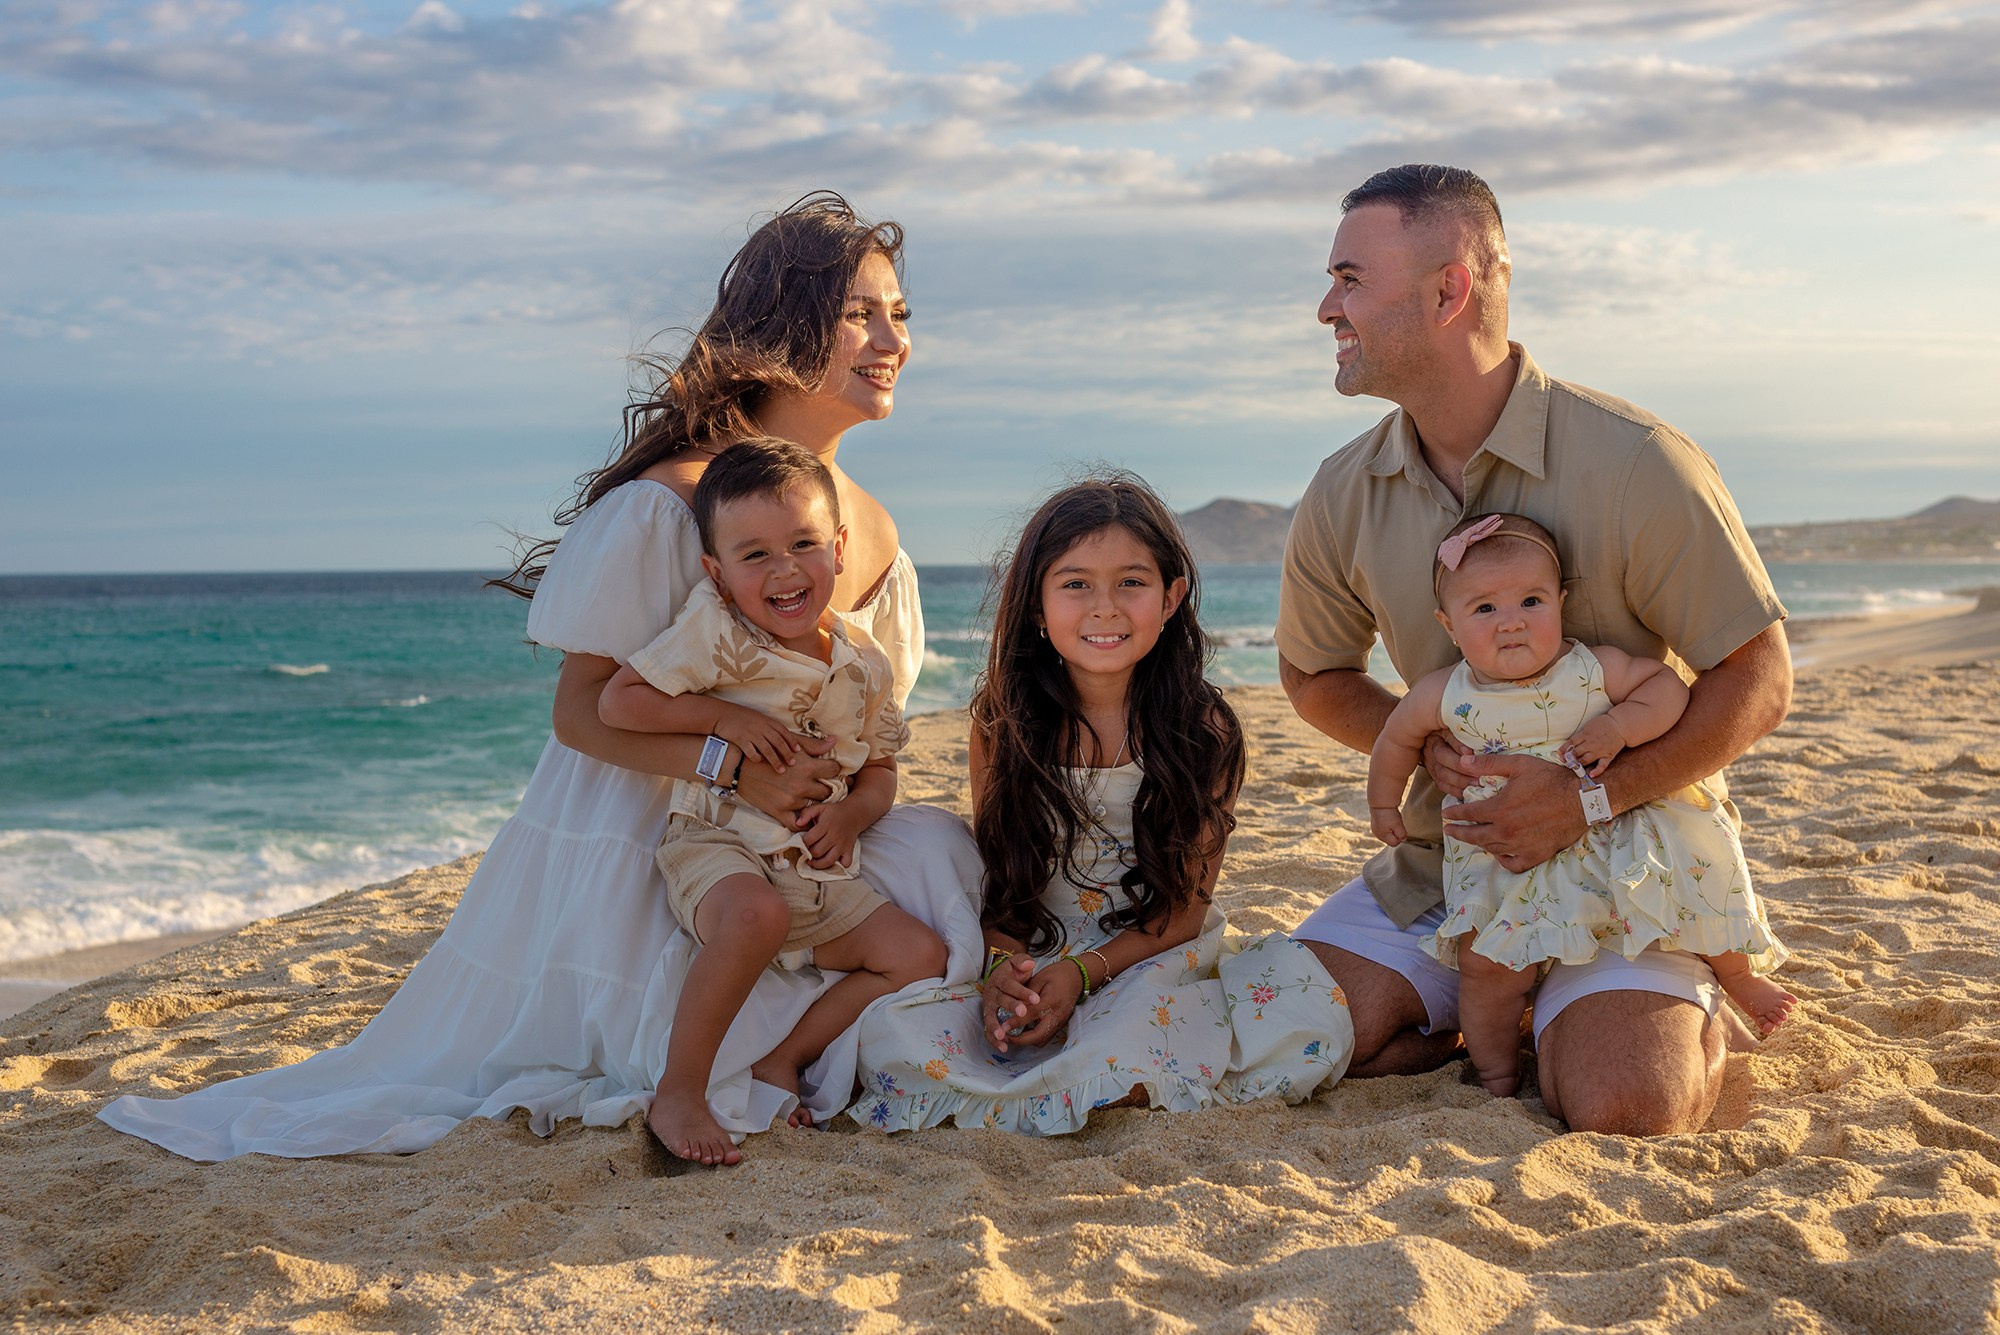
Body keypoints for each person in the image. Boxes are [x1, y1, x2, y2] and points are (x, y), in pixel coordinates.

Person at [99, 191, 984, 1161]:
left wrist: (843, 809)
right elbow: (581, 716)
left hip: (810, 846)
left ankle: (797, 1038)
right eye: (861, 311)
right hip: (652, 847)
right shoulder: (672, 505)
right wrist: (732, 764)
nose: (890, 338)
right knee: (675, 1038)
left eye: (900, 314)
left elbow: (872, 727)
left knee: (941, 863)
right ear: (785, 322)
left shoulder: (877, 534)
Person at [1277, 163, 1793, 1136]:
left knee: (1623, 1107)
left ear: (1446, 290)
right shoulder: (1343, 488)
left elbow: (1757, 678)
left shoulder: (1636, 461)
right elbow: (1313, 674)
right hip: (1450, 863)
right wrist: (1425, 743)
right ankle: (1497, 1006)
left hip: (1629, 859)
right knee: (1282, 1040)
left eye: (1347, 278)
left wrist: (1585, 798)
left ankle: (1662, 1003)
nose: (1323, 308)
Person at [848, 476, 1352, 1134]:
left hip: (1147, 952)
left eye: (1132, 583)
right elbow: (1006, 881)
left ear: (1171, 597)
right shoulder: (1002, 723)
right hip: (1038, 948)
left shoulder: (1206, 732)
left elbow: (1184, 911)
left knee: (1138, 1050)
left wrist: (1083, 974)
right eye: (1076, 583)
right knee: (892, 1038)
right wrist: (1005, 972)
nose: (1104, 607)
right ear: (1035, 604)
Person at [597, 439, 947, 1163]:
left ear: (840, 548)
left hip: (819, 870)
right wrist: (723, 720)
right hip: (720, 843)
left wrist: (854, 813)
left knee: (920, 955)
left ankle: (783, 1058)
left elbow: (880, 767)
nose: (785, 569)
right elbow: (618, 700)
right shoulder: (716, 632)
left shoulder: (864, 662)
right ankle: (681, 1089)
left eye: (803, 544)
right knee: (759, 913)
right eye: (754, 555)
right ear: (717, 574)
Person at [1367, 511, 1795, 1097]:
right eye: (1485, 609)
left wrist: (1619, 727)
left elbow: (1665, 687)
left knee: (1686, 889)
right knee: (1487, 967)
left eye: (1532, 602)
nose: (1511, 623)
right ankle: (1495, 1072)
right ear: (1449, 624)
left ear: (1561, 603)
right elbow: (1394, 741)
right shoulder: (1444, 694)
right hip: (1513, 856)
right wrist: (1384, 806)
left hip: (1612, 831)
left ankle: (1738, 978)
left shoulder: (1590, 669)